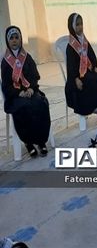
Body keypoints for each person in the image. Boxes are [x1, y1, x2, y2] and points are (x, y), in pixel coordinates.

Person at [1, 26, 51, 158]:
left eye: (17, 37)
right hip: (15, 95)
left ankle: (41, 141)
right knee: (24, 107)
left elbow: (34, 76)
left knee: (40, 104)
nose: (14, 40)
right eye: (11, 38)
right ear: (7, 41)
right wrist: (19, 93)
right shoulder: (5, 62)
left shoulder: (26, 57)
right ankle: (28, 142)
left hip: (30, 91)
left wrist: (31, 88)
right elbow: (6, 85)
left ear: (20, 39)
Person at [64, 13, 97, 117]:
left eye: (81, 24)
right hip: (77, 76)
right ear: (72, 27)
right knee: (89, 80)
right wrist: (75, 79)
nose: (80, 27)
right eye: (77, 24)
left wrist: (95, 66)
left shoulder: (84, 41)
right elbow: (70, 65)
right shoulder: (71, 46)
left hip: (88, 70)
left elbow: (91, 55)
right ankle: (91, 107)